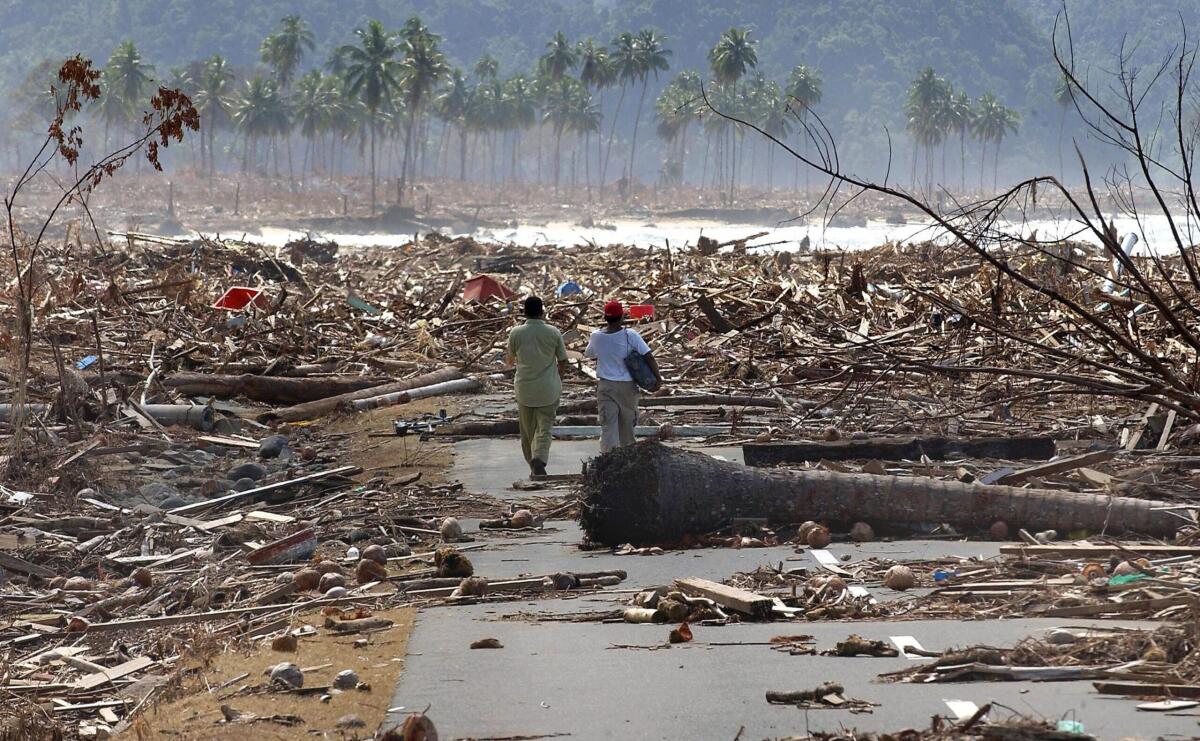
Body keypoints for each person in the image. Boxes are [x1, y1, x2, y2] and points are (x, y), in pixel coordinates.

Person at [585, 300, 663, 453]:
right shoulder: (629, 335)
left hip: (605, 386)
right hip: (626, 387)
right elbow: (648, 356)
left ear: (605, 318)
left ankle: (607, 458)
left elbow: (589, 354)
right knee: (627, 427)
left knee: (608, 426)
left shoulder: (596, 336)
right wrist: (658, 380)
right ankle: (628, 458)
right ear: (621, 317)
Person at [506, 296, 568, 476]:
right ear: (542, 312)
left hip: (524, 388)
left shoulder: (516, 333)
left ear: (524, 312)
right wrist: (559, 378)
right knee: (545, 427)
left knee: (527, 431)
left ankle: (532, 463)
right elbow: (563, 360)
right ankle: (539, 458)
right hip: (548, 388)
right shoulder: (553, 332)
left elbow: (510, 360)